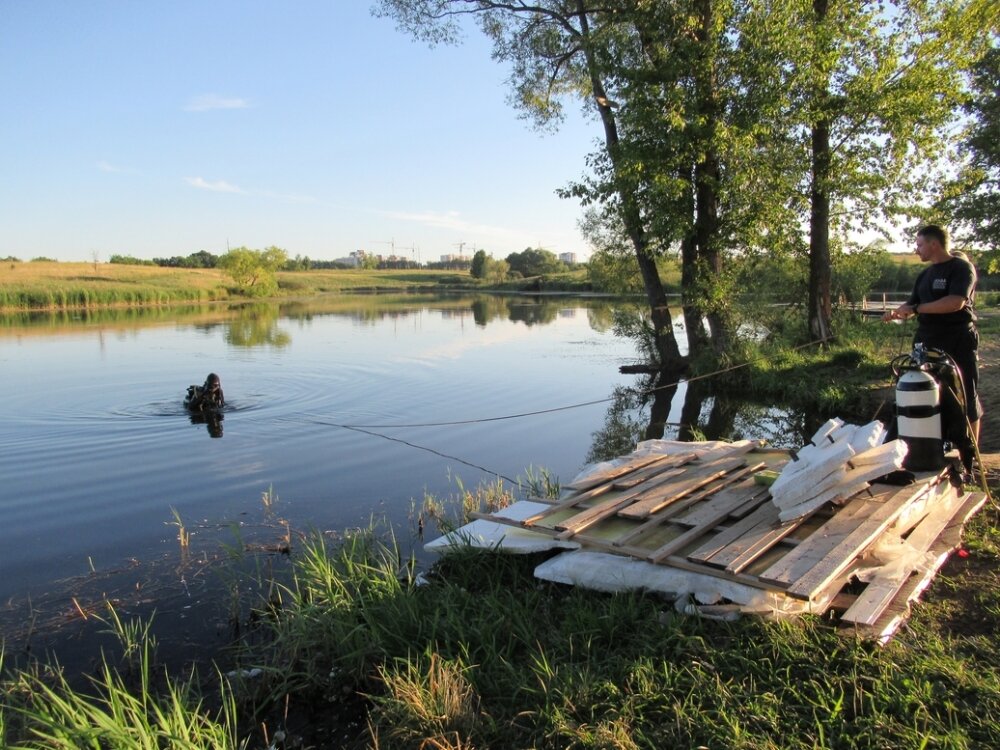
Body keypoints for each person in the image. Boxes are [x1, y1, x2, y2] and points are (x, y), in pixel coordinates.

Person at [883, 225, 981, 443]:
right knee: (929, 393)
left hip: (957, 340)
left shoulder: (961, 268)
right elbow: (913, 304)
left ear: (934, 244)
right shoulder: (925, 274)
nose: (916, 249)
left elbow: (955, 302)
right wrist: (899, 312)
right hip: (926, 342)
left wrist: (917, 309)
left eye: (919, 244)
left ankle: (970, 455)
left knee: (965, 395)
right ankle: (937, 445)